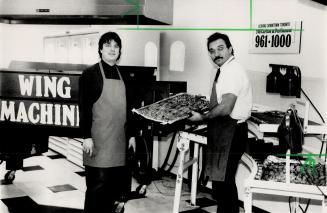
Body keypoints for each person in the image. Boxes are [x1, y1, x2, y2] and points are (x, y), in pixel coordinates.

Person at [188, 32, 252, 213]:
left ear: (231, 49)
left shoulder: (232, 71)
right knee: (222, 184)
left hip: (231, 132)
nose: (216, 54)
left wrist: (202, 117)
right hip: (224, 130)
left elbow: (225, 107)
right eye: (212, 51)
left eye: (221, 48)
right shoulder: (224, 70)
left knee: (224, 185)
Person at [79, 31, 130, 213]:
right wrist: (86, 136)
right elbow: (84, 108)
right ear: (100, 49)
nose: (112, 49)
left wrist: (130, 136)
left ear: (120, 51)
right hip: (98, 142)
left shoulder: (123, 75)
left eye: (116, 46)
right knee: (96, 189)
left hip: (118, 142)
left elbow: (127, 109)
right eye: (108, 45)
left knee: (113, 190)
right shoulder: (90, 74)